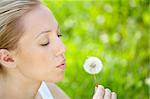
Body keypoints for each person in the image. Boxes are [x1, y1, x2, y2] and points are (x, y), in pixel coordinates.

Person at [0, 0, 117, 99]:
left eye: (58, 34)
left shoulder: (46, 90)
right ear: (7, 58)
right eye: (44, 42)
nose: (62, 48)